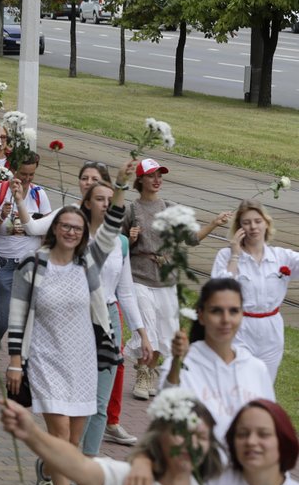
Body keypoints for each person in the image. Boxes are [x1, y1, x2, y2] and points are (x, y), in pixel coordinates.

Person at [6, 160, 133, 485]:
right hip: (46, 359)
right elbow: (17, 319)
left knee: (72, 442)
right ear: (55, 228)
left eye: (77, 228)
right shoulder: (33, 266)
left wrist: (120, 186)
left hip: (83, 361)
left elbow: (112, 224)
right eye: (65, 226)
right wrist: (15, 362)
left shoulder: (89, 261)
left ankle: (46, 468)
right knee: (60, 436)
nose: (71, 232)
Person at [0, 392, 224, 485]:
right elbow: (78, 465)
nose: (191, 443)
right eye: (182, 432)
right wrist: (32, 433)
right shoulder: (127, 479)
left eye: (202, 437)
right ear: (161, 434)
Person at [122, 159, 230, 401]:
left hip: (165, 278)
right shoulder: (132, 210)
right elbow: (119, 246)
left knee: (163, 329)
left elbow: (191, 238)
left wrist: (213, 223)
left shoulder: (171, 208)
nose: (157, 180)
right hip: (138, 275)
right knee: (146, 326)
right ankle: (142, 372)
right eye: (151, 176)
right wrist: (130, 238)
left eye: (160, 175)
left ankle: (151, 371)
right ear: (140, 180)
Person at [79, 182, 153, 456]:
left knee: (100, 402)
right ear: (87, 204)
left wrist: (142, 333)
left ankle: (86, 463)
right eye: (100, 199)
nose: (107, 204)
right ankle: (63, 460)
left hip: (109, 318)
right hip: (79, 317)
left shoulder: (121, 243)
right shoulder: (76, 236)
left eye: (112, 199)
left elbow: (126, 291)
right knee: (78, 400)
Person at [160, 278, 275, 442]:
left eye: (234, 311)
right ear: (201, 316)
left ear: (242, 314)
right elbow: (164, 415)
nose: (226, 319)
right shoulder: (182, 365)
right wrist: (176, 363)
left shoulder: (256, 368)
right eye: (216, 311)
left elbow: (270, 427)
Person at [211, 200, 298, 382]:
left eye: (258, 221)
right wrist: (235, 254)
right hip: (239, 329)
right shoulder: (225, 256)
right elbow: (220, 291)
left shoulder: (281, 256)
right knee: (240, 383)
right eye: (246, 222)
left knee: (264, 386)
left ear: (266, 223)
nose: (253, 227)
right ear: (239, 228)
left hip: (271, 331)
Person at [0, 152, 52, 338]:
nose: (27, 179)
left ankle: (18, 363)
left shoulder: (39, 194)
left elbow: (46, 232)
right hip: (2, 263)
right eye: (22, 174)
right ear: (13, 171)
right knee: (2, 317)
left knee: (26, 319)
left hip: (29, 264)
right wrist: (1, 216)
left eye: (31, 175)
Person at [205, 400, 299, 485]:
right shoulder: (214, 484)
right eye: (242, 434)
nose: (251, 441)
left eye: (263, 434)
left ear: (283, 442)